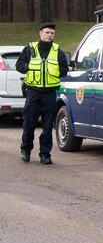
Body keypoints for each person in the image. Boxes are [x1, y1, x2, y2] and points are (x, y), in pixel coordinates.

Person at [16, 22, 68, 164]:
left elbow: (64, 70)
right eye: (47, 32)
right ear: (40, 33)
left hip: (50, 93)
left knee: (47, 126)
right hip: (33, 92)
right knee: (29, 123)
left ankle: (45, 154)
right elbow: (19, 65)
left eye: (52, 33)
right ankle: (26, 150)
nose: (50, 35)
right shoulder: (30, 49)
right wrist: (30, 67)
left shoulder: (58, 51)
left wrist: (56, 69)